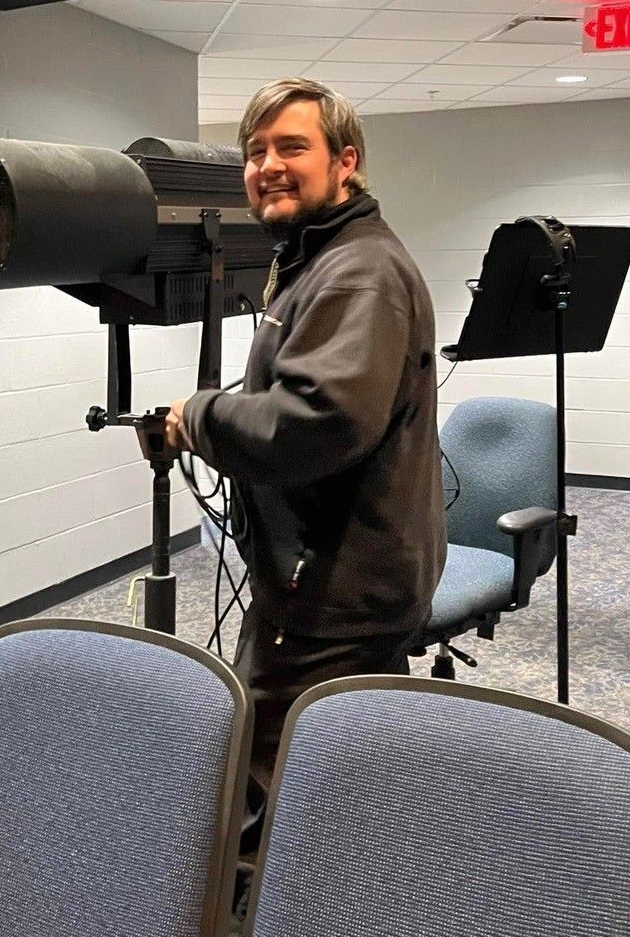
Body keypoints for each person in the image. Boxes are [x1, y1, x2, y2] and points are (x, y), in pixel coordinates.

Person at [166, 78, 446, 846]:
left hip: (333, 591)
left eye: (292, 147)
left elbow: (315, 424)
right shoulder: (322, 258)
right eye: (256, 152)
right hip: (334, 576)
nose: (268, 165)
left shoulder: (358, 271)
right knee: (339, 773)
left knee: (275, 793)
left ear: (344, 162)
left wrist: (200, 415)